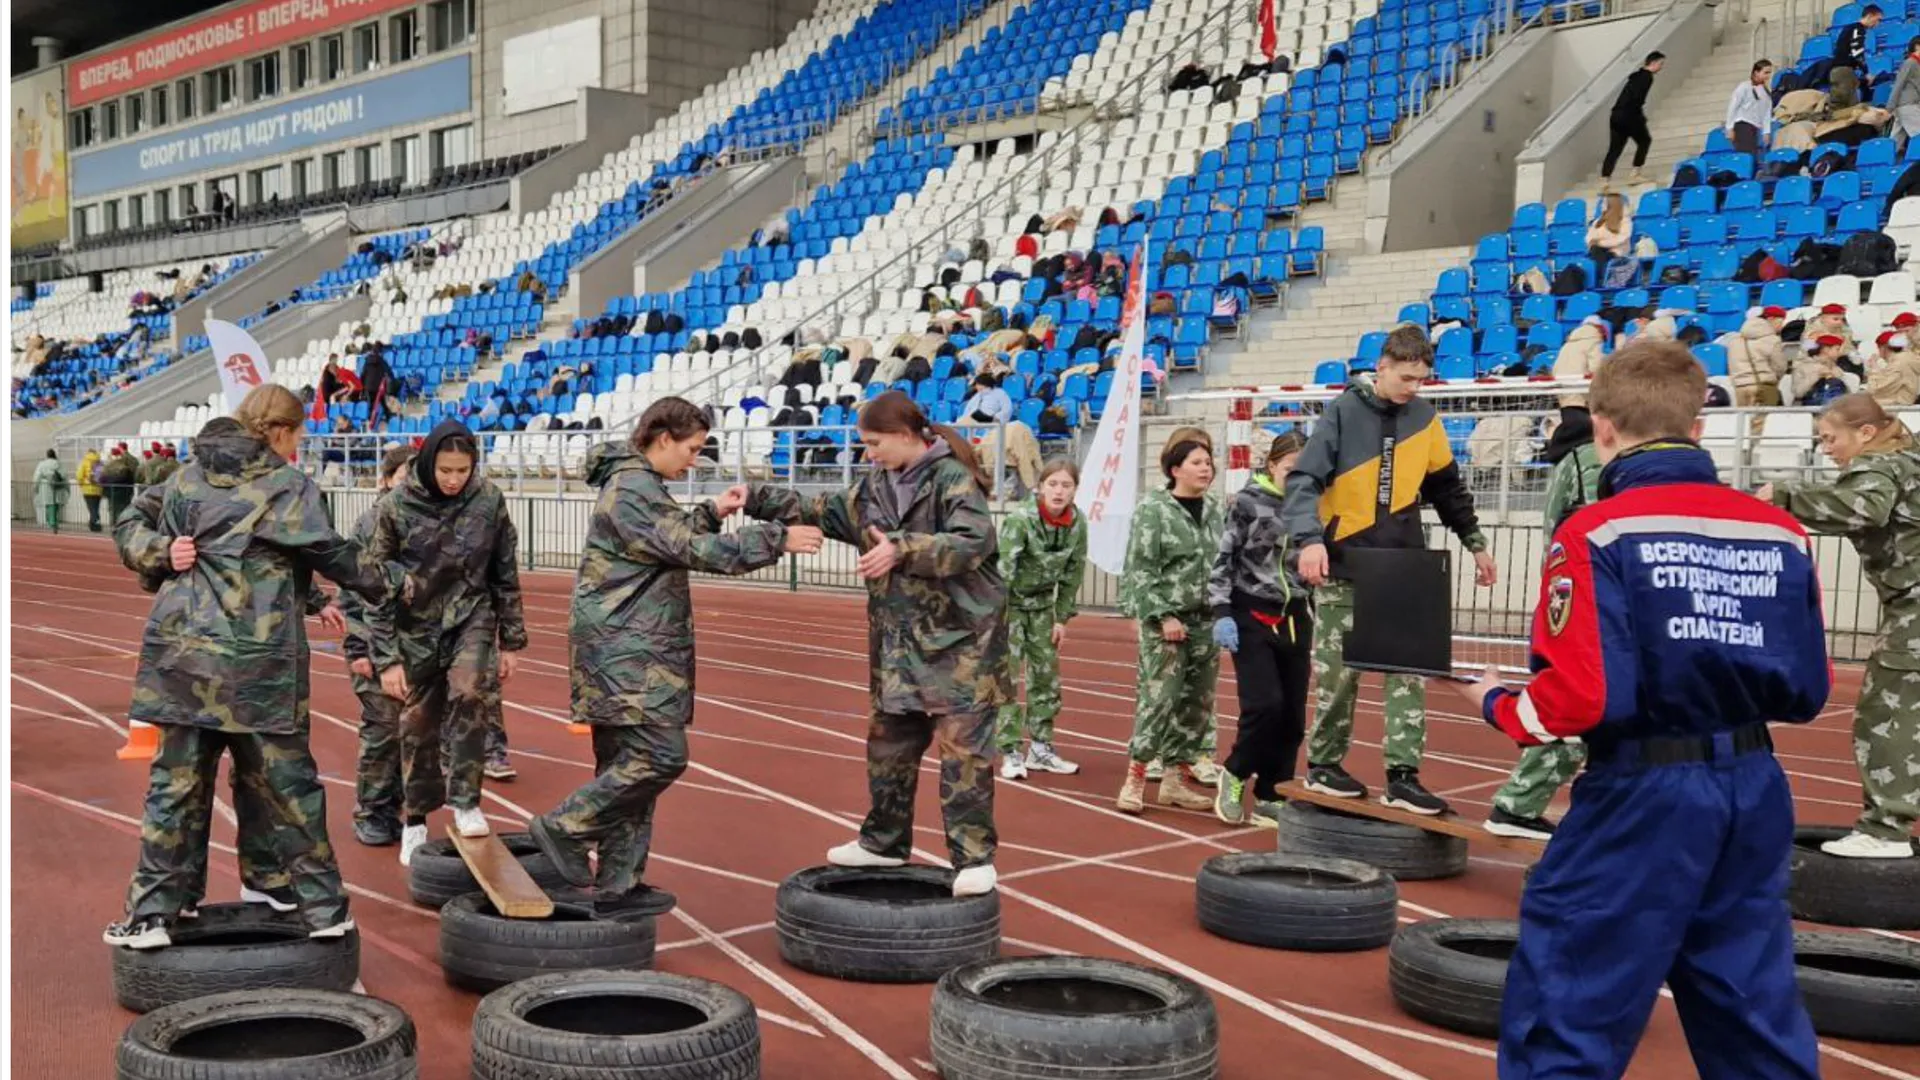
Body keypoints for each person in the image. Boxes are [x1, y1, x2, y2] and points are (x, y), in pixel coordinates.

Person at [1441, 340, 1829, 1078]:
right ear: (1699, 427)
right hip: (1753, 785)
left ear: (1603, 429)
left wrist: (1495, 702)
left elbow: (1579, 696)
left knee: (1573, 1002)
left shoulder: (1596, 533)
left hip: (1643, 795)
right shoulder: (1778, 530)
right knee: (1752, 1007)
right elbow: (1806, 690)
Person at [103, 387, 396, 949]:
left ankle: (155, 914)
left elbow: (148, 527)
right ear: (282, 432)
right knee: (288, 787)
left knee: (177, 788)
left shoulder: (185, 477)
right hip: (258, 664)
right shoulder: (288, 486)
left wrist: (158, 552)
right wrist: (402, 584)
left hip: (183, 660)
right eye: (298, 435)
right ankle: (322, 908)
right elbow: (327, 552)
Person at [527, 398, 823, 919]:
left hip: (627, 647)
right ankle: (563, 828)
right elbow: (692, 549)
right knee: (660, 758)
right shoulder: (634, 488)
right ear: (662, 438)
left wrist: (712, 512)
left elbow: (664, 541)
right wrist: (779, 538)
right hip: (628, 652)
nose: (693, 460)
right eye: (691, 449)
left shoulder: (637, 486)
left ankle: (619, 883)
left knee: (626, 767)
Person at [743, 391, 1009, 897]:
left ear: (907, 435)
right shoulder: (876, 485)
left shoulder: (952, 479)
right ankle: (884, 841)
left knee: (964, 754)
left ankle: (974, 857)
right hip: (899, 644)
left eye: (874, 442)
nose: (869, 453)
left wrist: (901, 550)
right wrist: (753, 497)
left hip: (961, 645)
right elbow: (823, 508)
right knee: (889, 745)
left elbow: (973, 542)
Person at [1281, 324, 1498, 816]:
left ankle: (1403, 775)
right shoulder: (1342, 412)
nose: (1412, 388)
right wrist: (1309, 541)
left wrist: (1476, 543)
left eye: (1421, 379)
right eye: (1405, 378)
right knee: (1338, 677)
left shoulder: (1425, 418)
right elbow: (1303, 480)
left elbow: (1447, 488)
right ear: (1381, 367)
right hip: (1344, 564)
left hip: (1403, 566)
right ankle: (1324, 765)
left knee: (1409, 673)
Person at [1761, 394, 1920, 858]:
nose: (1826, 449)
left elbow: (1862, 507)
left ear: (1866, 433)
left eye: (1831, 438)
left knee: (1885, 716)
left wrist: (1786, 496)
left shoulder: (1878, 468)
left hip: (1914, 607)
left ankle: (1886, 829)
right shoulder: (1908, 459)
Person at [366, 419, 529, 865]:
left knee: (471, 693)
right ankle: (416, 819)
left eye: (463, 470)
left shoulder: (488, 500)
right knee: (418, 726)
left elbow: (504, 571)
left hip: (470, 616)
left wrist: (511, 641)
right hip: (414, 627)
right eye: (445, 470)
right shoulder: (396, 507)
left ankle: (465, 799)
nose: (455, 479)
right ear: (426, 463)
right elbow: (375, 586)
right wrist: (386, 660)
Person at [1479, 406, 1603, 840]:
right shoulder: (1591, 460)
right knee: (1578, 708)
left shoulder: (1566, 463)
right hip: (1590, 595)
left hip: (1567, 590)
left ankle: (1520, 803)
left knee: (1581, 708)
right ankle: (1517, 804)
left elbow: (1560, 532)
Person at [1209, 431, 1314, 827]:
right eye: (1290, 469)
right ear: (1272, 465)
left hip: (1295, 615)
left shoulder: (1312, 505)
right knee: (1264, 704)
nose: (1297, 477)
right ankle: (1235, 772)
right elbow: (1224, 557)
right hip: (1250, 612)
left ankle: (1272, 790)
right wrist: (1221, 610)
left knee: (1292, 715)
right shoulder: (1247, 504)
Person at [1117, 435, 1226, 814]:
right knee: (1159, 700)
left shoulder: (1214, 509)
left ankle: (1175, 781)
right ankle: (1134, 778)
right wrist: (1164, 615)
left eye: (1209, 462)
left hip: (1206, 621)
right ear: (1175, 469)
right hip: (1166, 624)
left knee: (1197, 704)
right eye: (1197, 462)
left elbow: (1223, 564)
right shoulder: (1154, 509)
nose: (1206, 468)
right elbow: (1140, 569)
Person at [340, 445, 416, 847]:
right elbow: (355, 592)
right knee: (382, 732)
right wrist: (358, 650)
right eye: (404, 475)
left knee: (412, 736)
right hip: (374, 645)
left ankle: (394, 810)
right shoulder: (371, 524)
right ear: (386, 479)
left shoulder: (427, 521)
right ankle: (371, 811)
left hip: (417, 649)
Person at [996, 458, 1088, 781]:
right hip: (1010, 606)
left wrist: (1061, 618)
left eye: (1066, 485)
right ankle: (1009, 750)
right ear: (1040, 487)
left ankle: (1041, 747)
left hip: (1043, 610)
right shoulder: (1021, 520)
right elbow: (1003, 572)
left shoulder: (1078, 523)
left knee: (1046, 677)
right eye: (1053, 484)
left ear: (1075, 490)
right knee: (1007, 678)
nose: (1059, 491)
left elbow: (1073, 573)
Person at [1603, 52, 1664, 187]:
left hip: (1616, 114)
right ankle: (1635, 174)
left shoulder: (1635, 76)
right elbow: (1637, 99)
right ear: (1653, 63)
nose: (1661, 67)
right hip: (1629, 114)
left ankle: (1605, 180)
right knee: (1645, 140)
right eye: (1660, 64)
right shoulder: (1647, 77)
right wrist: (1640, 118)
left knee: (1615, 148)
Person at [1727, 60, 1775, 158]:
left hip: (1755, 127)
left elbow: (1766, 113)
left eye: (1769, 73)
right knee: (1747, 156)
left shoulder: (1766, 92)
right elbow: (1733, 106)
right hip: (1743, 125)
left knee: (1753, 156)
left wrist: (1766, 131)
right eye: (1766, 72)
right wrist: (1729, 128)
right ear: (1756, 72)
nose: (1768, 76)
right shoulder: (1744, 86)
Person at [1834, 5, 1883, 80]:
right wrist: (1866, 73)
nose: (1878, 24)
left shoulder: (1851, 28)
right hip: (1843, 71)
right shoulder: (1858, 29)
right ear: (1869, 16)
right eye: (1878, 20)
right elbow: (1857, 52)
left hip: (1839, 70)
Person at [32, 449, 65, 533]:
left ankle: (51, 521)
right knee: (55, 504)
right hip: (57, 486)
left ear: (47, 455)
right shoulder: (58, 463)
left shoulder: (42, 464)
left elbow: (37, 476)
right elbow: (64, 475)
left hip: (45, 486)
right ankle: (53, 521)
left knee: (48, 503)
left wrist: (35, 486)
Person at [78, 446, 104, 532]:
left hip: (88, 489)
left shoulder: (85, 461)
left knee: (92, 509)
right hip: (98, 488)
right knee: (95, 508)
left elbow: (79, 475)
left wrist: (81, 484)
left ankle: (96, 526)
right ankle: (93, 524)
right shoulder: (100, 462)